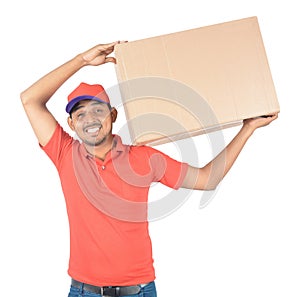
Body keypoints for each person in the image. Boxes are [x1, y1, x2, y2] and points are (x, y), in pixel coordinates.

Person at [20, 41, 278, 297]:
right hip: (83, 290)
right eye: (80, 114)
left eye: (98, 110)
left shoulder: (143, 157)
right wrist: (82, 61)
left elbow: (207, 179)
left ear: (113, 115)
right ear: (71, 123)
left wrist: (248, 128)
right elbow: (30, 99)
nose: (90, 119)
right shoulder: (66, 154)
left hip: (139, 290)